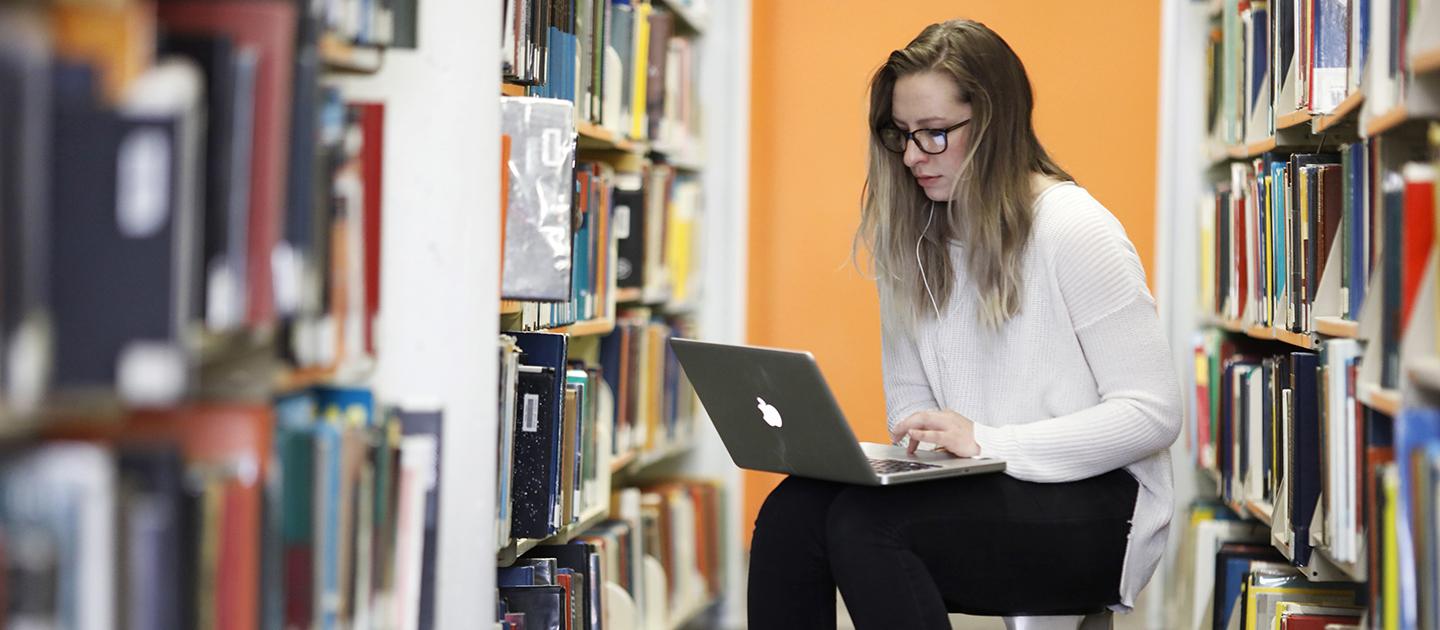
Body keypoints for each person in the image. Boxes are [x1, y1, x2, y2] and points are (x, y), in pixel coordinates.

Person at [745, 19, 1182, 630]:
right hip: (985, 486)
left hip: (1102, 508)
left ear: (996, 123)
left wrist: (990, 442)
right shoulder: (914, 240)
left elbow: (1153, 413)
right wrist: (913, 448)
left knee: (868, 525)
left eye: (935, 134)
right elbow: (913, 408)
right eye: (901, 135)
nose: (913, 156)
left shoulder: (1074, 228)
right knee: (794, 508)